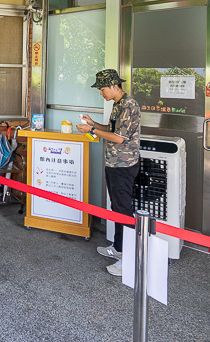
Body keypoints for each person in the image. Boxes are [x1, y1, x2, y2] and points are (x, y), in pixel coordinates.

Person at [76, 69, 141, 277]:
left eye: (102, 89)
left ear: (115, 86)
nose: (101, 93)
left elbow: (119, 139)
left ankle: (128, 258)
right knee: (117, 207)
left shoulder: (129, 105)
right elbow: (112, 130)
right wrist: (93, 124)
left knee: (123, 209)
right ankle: (119, 247)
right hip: (114, 164)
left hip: (124, 165)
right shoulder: (118, 105)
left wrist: (92, 132)